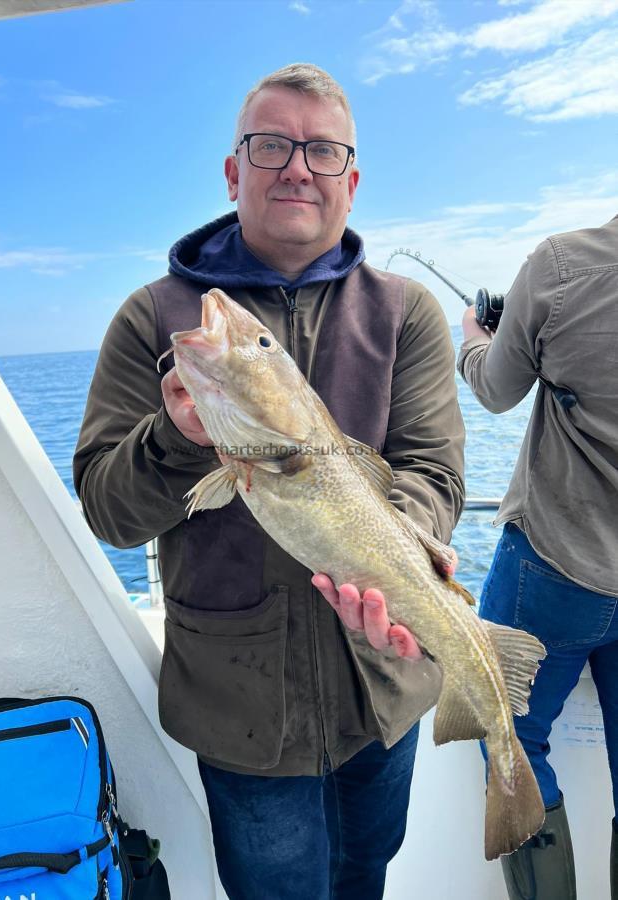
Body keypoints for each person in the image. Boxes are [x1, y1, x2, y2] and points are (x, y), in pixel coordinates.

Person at [74, 63, 464, 900]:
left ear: (349, 182)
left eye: (322, 150)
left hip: (384, 687)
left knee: (366, 874)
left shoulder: (408, 312)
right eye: (271, 144)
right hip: (239, 708)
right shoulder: (152, 319)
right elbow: (108, 509)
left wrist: (398, 546)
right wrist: (180, 438)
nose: (297, 166)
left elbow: (432, 472)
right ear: (233, 170)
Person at [458, 215, 618, 900]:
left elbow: (496, 391)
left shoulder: (559, 264)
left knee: (510, 744)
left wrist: (473, 342)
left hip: (551, 569)